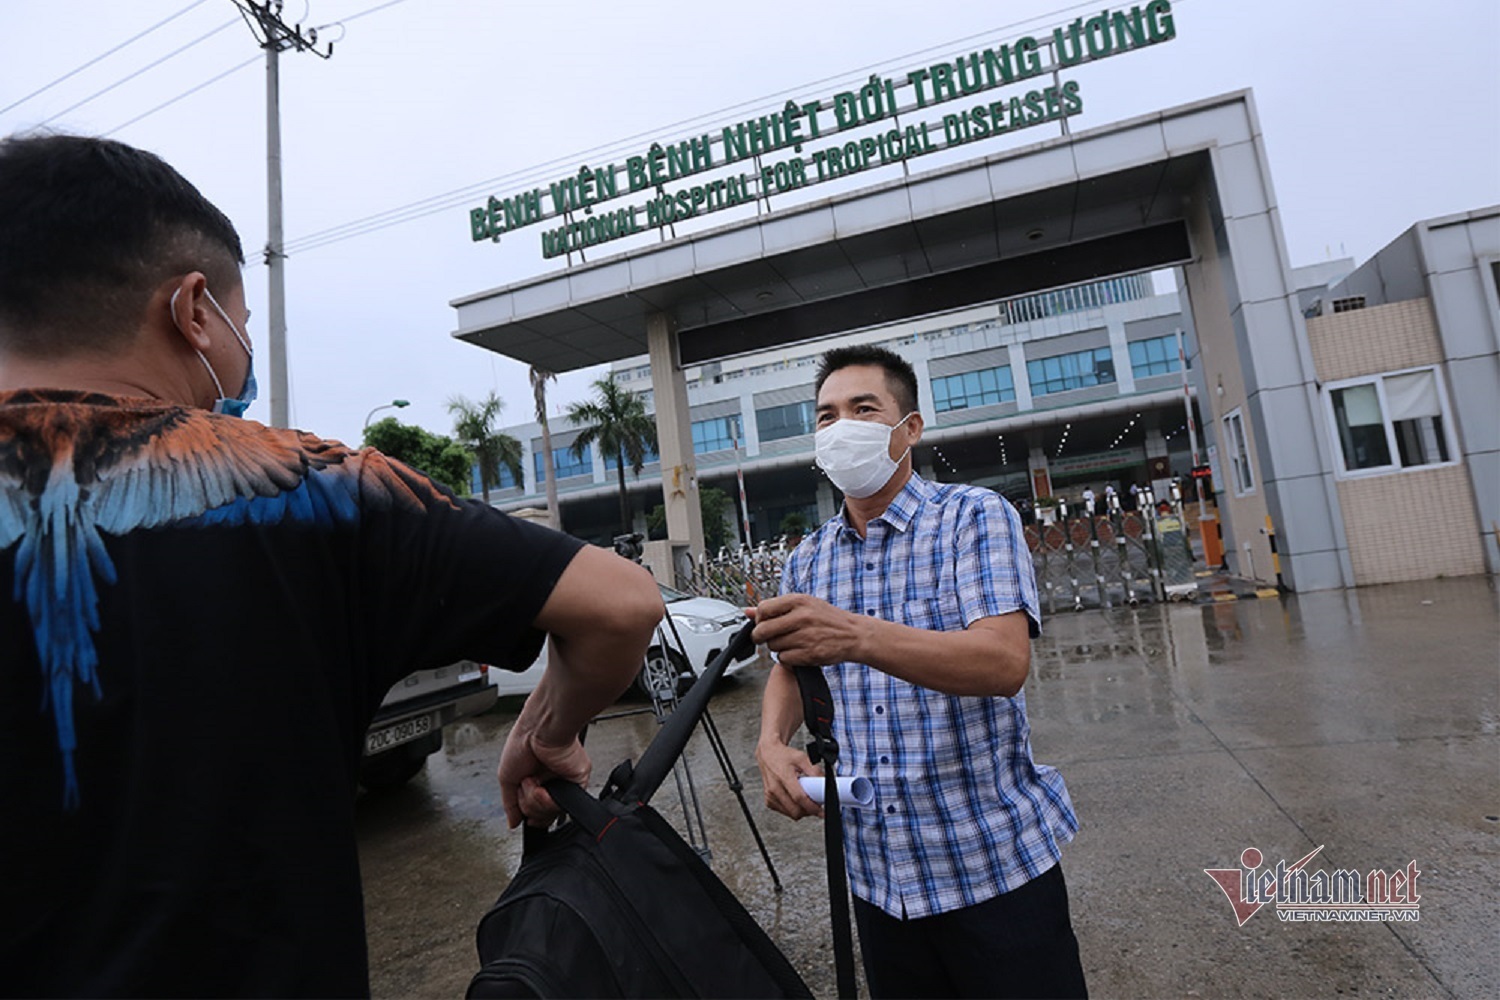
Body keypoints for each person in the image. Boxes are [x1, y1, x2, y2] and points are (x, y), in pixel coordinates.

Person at [0, 133, 663, 997]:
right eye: (240, 323)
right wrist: (546, 733)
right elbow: (619, 604)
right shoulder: (315, 488)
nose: (238, 356)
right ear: (193, 310)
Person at [751, 345, 1086, 999]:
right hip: (880, 883)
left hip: (992, 869)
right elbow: (791, 667)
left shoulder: (973, 517)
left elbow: (1002, 661)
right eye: (826, 416)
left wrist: (854, 635)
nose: (840, 426)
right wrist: (770, 742)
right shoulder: (809, 560)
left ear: (909, 430)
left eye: (863, 409)